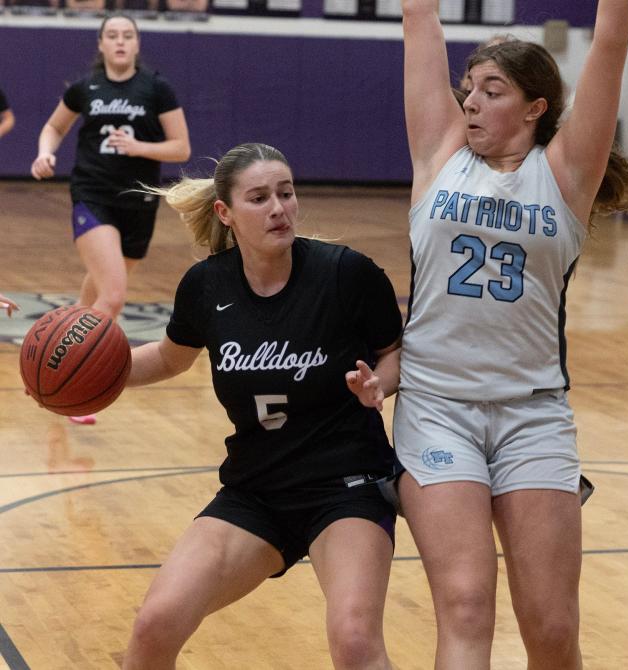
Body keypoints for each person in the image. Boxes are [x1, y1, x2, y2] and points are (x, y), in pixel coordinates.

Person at [397, 1, 628, 667]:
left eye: (492, 90)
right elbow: (419, 17)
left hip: (532, 414)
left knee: (553, 630)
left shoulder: (565, 173)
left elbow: (613, 40)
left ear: (536, 107)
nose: (471, 101)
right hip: (437, 409)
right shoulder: (440, 152)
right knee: (468, 605)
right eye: (467, 88)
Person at [120, 143, 402, 670]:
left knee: (355, 639)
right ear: (225, 213)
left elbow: (395, 352)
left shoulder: (346, 274)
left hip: (345, 487)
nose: (279, 208)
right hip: (255, 491)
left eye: (286, 193)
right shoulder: (207, 285)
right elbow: (168, 358)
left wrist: (379, 386)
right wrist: (91, 381)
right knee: (154, 627)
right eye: (259, 198)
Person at [30, 12, 190, 425]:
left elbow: (180, 149)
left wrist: (138, 147)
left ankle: (55, 351)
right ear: (101, 45)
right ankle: (74, 379)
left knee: (104, 284)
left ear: (137, 44)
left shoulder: (157, 88)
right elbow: (53, 127)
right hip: (92, 195)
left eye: (128, 35)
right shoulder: (86, 88)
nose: (120, 41)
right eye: (112, 35)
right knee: (114, 295)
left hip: (138, 201)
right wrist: (46, 152)